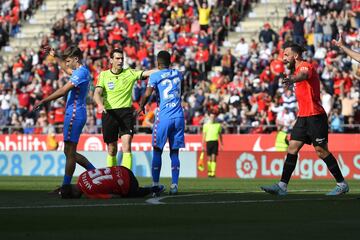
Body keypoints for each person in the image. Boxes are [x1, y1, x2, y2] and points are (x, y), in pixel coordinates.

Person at [261, 42, 349, 196]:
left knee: (321, 151)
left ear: (295, 55)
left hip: (315, 116)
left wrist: (292, 79)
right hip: (303, 117)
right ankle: (282, 186)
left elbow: (302, 75)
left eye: (286, 55)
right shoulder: (296, 68)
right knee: (292, 148)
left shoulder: (305, 66)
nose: (284, 58)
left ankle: (342, 184)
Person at [34, 46, 96, 195]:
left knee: (70, 152)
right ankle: (94, 173)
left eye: (69, 61)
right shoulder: (82, 71)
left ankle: (66, 186)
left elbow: (63, 90)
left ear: (76, 59)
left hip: (74, 114)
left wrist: (44, 100)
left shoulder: (80, 73)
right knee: (69, 151)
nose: (67, 64)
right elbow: (66, 69)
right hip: (76, 113)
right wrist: (55, 57)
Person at [93, 48, 158, 169]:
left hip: (126, 113)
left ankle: (126, 178)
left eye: (122, 58)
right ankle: (111, 176)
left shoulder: (129, 73)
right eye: (117, 58)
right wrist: (100, 104)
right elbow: (97, 92)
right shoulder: (104, 75)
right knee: (112, 149)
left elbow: (146, 73)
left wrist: (163, 70)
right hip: (109, 113)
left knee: (126, 145)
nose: (120, 61)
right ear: (111, 60)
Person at [137, 50, 185, 195]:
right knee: (174, 152)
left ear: (158, 63)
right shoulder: (178, 73)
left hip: (164, 116)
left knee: (157, 151)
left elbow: (147, 94)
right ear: (170, 62)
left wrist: (141, 106)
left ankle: (155, 185)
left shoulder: (155, 75)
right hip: (179, 116)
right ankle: (174, 185)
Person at [60, 166, 165, 199]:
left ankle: (153, 189)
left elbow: (113, 196)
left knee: (128, 194)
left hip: (129, 184)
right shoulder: (82, 175)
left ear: (74, 193)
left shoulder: (89, 193)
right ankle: (143, 188)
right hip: (123, 169)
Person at [201, 113, 223, 177]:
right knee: (209, 158)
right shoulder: (206, 125)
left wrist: (221, 143)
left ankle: (213, 173)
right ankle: (209, 172)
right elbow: (204, 135)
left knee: (214, 157)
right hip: (208, 142)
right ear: (209, 118)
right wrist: (202, 145)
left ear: (215, 118)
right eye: (211, 117)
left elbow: (220, 135)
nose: (212, 118)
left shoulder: (218, 125)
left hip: (215, 141)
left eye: (213, 117)